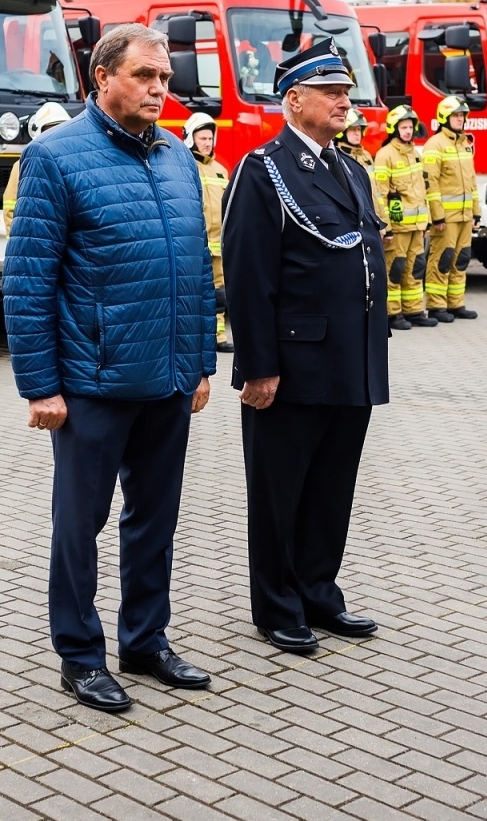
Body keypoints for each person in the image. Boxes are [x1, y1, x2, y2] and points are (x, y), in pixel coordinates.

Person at [4, 23, 216, 713]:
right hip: (92, 382)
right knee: (79, 524)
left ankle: (145, 640)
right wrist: (41, 384)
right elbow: (29, 282)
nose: (161, 89)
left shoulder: (179, 158)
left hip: (167, 378)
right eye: (145, 77)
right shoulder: (56, 159)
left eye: (166, 79)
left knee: (155, 520)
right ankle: (80, 655)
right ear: (102, 78)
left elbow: (193, 272)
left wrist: (200, 362)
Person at [222, 37, 389, 650]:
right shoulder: (262, 169)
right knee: (280, 490)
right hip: (292, 364)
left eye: (346, 92)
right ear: (293, 101)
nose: (345, 102)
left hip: (351, 361)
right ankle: (276, 604)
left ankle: (320, 591)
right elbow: (249, 276)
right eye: (331, 92)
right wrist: (257, 366)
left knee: (331, 487)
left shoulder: (351, 169)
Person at [373, 105, 436, 329]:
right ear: (394, 128)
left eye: (410, 127)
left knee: (415, 268)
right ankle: (394, 313)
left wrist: (426, 221)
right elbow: (379, 195)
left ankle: (415, 311)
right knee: (396, 269)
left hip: (417, 226)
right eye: (404, 127)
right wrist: (386, 227)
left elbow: (423, 191)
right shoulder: (385, 155)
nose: (408, 131)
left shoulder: (415, 154)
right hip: (397, 228)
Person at [421, 95, 479, 322]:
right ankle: (437, 306)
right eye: (456, 115)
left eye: (462, 116)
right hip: (446, 218)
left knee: (461, 258)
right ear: (444, 117)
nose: (460, 119)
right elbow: (430, 184)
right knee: (442, 260)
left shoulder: (464, 143)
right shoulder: (434, 145)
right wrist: (437, 216)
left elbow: (472, 181)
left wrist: (476, 212)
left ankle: (456, 304)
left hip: (465, 216)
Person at [185, 111, 234, 352]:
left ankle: (218, 337)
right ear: (190, 138)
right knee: (195, 292)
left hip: (218, 243)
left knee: (220, 292)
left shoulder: (221, 170)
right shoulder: (186, 165)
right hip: (195, 243)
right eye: (202, 138)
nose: (207, 143)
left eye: (209, 139)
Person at [3, 102, 71, 237]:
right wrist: (16, 241)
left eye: (60, 129)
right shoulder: (22, 165)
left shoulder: (78, 163)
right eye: (50, 130)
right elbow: (10, 208)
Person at [335, 108, 388, 224]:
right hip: (353, 222)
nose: (357, 133)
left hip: (372, 219)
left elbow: (376, 192)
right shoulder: (336, 155)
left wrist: (382, 221)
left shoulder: (366, 156)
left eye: (359, 129)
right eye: (353, 129)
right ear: (343, 131)